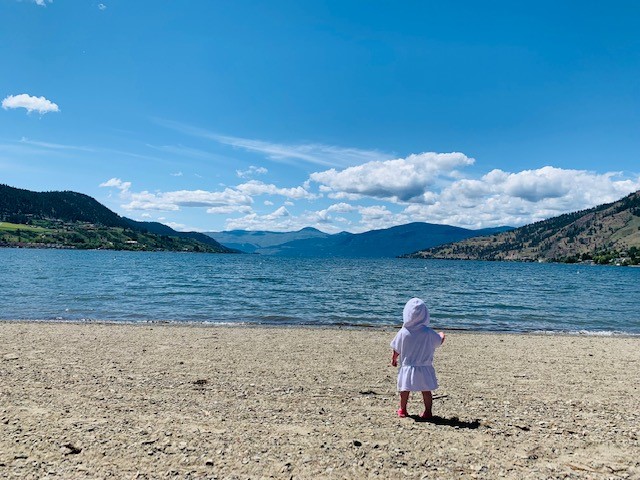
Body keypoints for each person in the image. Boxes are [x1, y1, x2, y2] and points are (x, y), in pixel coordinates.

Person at [390, 297, 445, 418]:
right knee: (426, 391)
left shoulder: (403, 332)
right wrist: (442, 335)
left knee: (404, 390)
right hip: (424, 366)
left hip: (407, 365)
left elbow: (396, 348)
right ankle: (428, 411)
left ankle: (403, 409)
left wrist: (394, 359)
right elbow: (438, 342)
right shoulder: (427, 332)